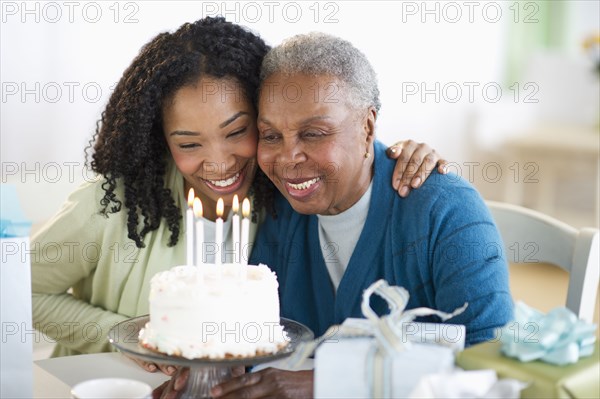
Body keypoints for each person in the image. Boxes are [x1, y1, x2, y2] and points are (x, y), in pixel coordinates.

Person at [30, 17, 447, 374]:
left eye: (236, 132)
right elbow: (16, 291)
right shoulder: (115, 206)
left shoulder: (288, 198)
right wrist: (128, 338)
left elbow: (340, 146)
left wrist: (396, 155)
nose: (219, 162)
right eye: (189, 144)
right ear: (160, 139)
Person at [199, 32, 514, 399]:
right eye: (270, 136)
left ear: (367, 128)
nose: (287, 158)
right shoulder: (280, 210)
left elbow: (489, 360)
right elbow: (259, 335)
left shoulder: (446, 212)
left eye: (313, 133)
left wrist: (327, 385)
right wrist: (215, 371)